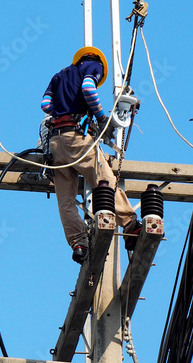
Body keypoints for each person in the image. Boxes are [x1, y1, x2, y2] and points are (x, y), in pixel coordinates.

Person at [41, 46, 140, 263]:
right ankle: (130, 226)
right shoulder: (94, 66)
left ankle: (78, 243)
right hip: (77, 139)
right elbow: (88, 88)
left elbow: (45, 105)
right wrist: (101, 117)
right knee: (104, 180)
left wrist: (63, 111)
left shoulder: (58, 76)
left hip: (56, 143)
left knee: (65, 200)